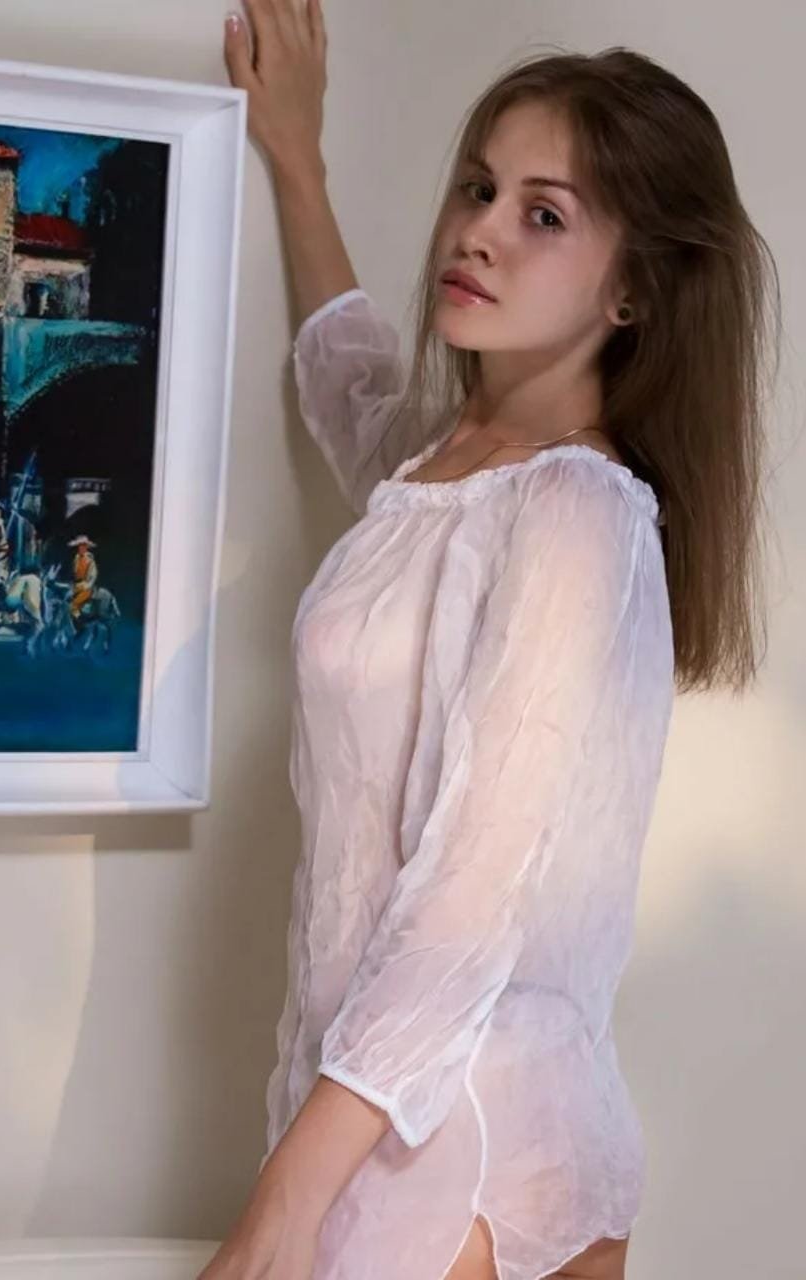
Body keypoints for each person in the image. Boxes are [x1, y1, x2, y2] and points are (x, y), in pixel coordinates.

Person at [205, 6, 778, 1280]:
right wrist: (296, 155)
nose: (478, 230)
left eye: (543, 213)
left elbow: (472, 894)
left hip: (468, 1147)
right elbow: (348, 381)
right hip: (374, 1128)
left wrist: (285, 1201)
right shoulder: (443, 467)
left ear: (632, 290)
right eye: (479, 187)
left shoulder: (577, 513)